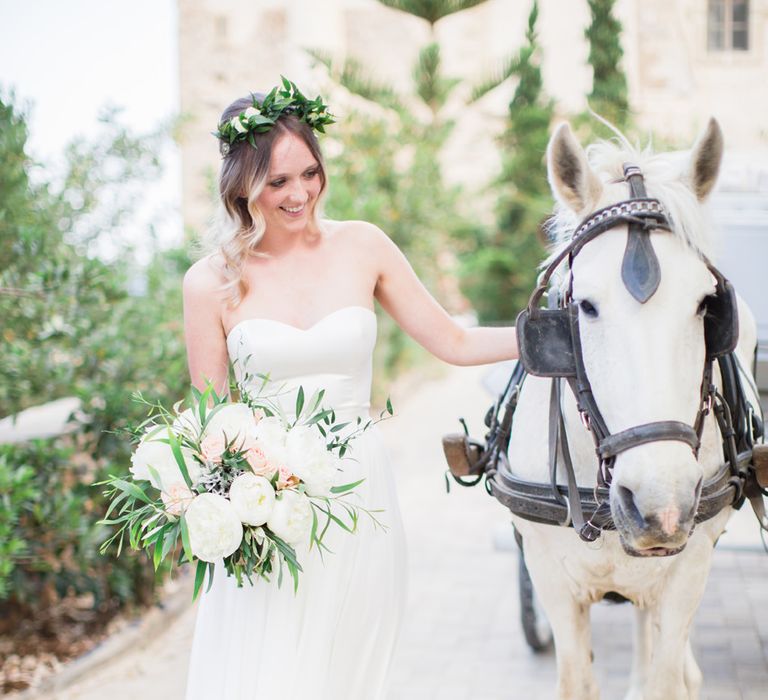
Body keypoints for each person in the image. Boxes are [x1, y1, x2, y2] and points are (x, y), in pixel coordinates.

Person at [183, 80, 518, 700]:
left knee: (350, 668)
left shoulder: (363, 246)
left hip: (359, 493)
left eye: (309, 173)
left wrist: (548, 335)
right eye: (277, 181)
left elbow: (453, 341)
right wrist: (232, 501)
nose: (299, 193)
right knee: (272, 670)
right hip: (269, 507)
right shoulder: (210, 282)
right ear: (240, 184)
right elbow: (211, 419)